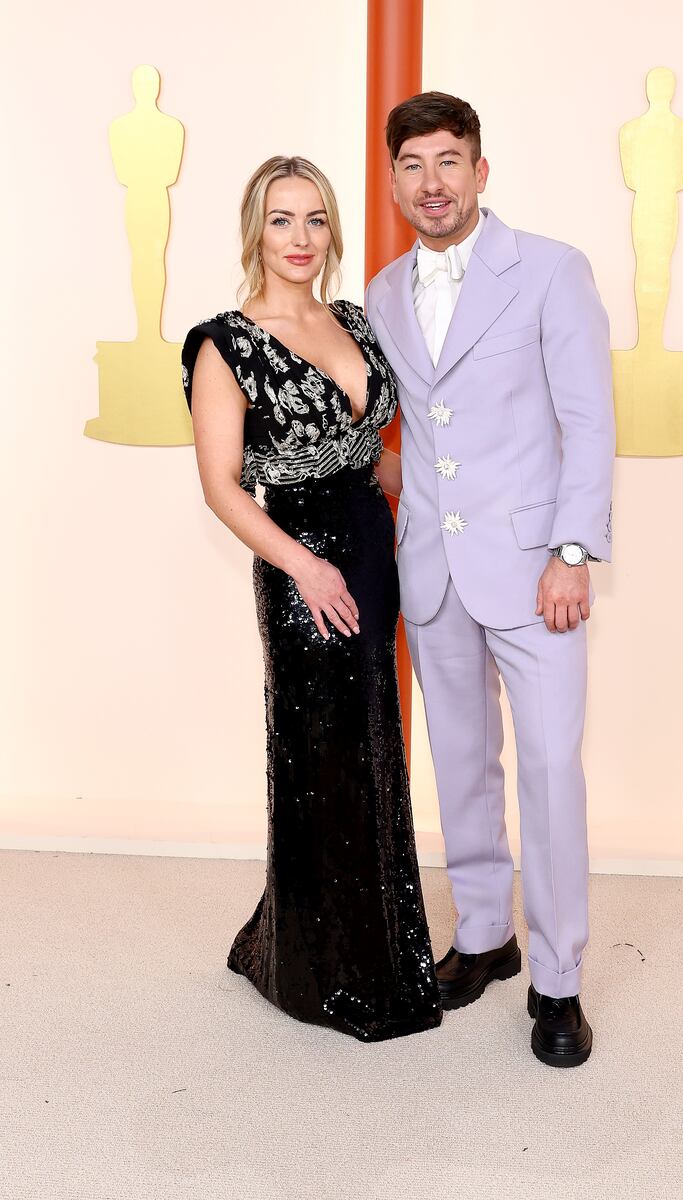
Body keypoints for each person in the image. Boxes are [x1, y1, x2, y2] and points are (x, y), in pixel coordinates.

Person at [365, 93, 615, 1066]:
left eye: (448, 161)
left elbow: (587, 422)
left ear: (479, 170)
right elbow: (411, 427)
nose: (432, 183)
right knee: (460, 764)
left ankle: (557, 981)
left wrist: (570, 552)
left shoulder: (550, 271)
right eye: (413, 166)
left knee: (550, 773)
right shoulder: (383, 291)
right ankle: (483, 936)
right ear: (393, 183)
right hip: (432, 568)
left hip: (533, 569)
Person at [181, 155, 442, 1043]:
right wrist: (306, 567)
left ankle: (378, 950)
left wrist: (455, 499)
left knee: (373, 738)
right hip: (303, 567)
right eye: (283, 220)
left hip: (373, 549)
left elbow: (372, 454)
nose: (301, 239)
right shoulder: (225, 341)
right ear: (256, 229)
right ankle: (318, 970)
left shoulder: (356, 320)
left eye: (317, 220)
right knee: (320, 749)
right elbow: (222, 487)